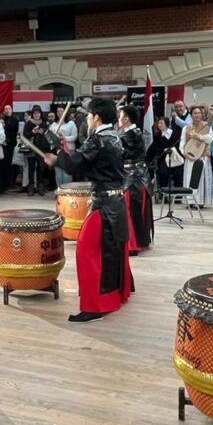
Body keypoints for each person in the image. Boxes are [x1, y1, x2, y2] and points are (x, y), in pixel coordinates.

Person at [42, 98, 132, 323]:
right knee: (110, 251)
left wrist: (56, 155)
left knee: (86, 251)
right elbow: (88, 162)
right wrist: (60, 148)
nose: (88, 119)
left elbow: (75, 165)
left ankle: (95, 306)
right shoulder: (115, 136)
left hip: (103, 205)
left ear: (97, 117)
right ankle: (113, 296)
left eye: (90, 115)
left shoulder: (98, 139)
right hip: (116, 202)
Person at [119, 105, 153, 253]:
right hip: (140, 175)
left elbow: (124, 154)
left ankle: (133, 244)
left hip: (132, 177)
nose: (118, 118)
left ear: (126, 118)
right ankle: (141, 240)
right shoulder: (136, 132)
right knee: (137, 210)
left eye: (120, 116)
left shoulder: (129, 135)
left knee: (130, 210)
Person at [180, 105, 213, 207]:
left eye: (199, 113)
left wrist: (199, 136)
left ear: (202, 114)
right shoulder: (186, 128)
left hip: (202, 156)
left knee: (200, 179)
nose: (197, 115)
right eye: (195, 113)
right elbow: (182, 142)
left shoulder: (207, 126)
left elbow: (210, 138)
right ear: (191, 115)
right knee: (189, 178)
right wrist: (185, 153)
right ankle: (190, 201)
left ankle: (200, 202)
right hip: (190, 156)